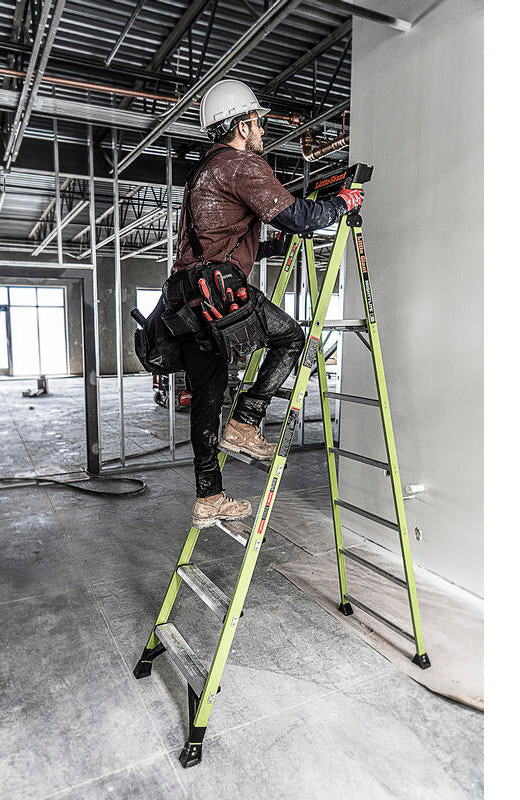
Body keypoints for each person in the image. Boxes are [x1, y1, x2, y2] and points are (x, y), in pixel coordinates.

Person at [171, 79, 364, 529]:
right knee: (292, 338)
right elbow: (297, 216)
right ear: (240, 125)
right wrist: (341, 203)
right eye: (256, 121)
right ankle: (247, 420)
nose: (261, 129)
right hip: (221, 289)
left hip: (188, 295)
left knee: (207, 395)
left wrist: (271, 244)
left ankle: (209, 496)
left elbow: (228, 238)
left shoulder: (203, 172)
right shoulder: (243, 164)